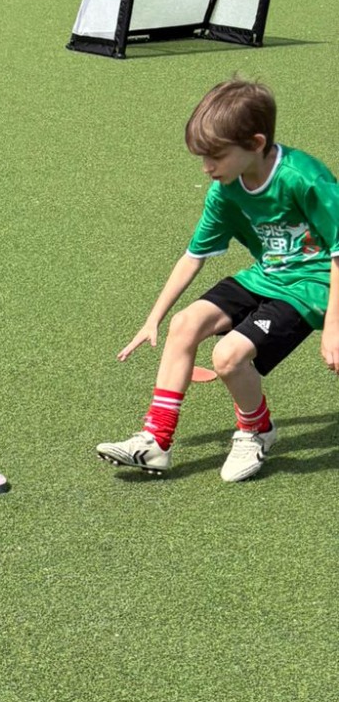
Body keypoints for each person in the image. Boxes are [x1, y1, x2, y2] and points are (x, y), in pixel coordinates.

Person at [98, 79, 339, 483]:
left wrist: (332, 326)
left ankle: (256, 430)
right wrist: (153, 318)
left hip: (312, 286)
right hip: (266, 276)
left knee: (228, 356)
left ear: (256, 143)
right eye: (202, 158)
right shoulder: (225, 190)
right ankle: (156, 440)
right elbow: (194, 255)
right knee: (184, 324)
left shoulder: (304, 177)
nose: (207, 168)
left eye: (216, 156)